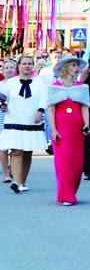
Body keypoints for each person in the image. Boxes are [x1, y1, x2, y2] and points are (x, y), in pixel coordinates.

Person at [46, 56, 90, 206]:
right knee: (63, 162)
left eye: (77, 65)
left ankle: (72, 190)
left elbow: (84, 107)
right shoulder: (55, 87)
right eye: (73, 65)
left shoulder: (82, 87)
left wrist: (87, 124)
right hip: (61, 128)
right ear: (65, 67)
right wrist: (53, 130)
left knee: (77, 163)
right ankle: (66, 195)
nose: (76, 68)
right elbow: (51, 110)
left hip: (77, 129)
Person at [0, 55, 48, 192]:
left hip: (32, 120)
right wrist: (3, 105)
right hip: (14, 119)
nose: (27, 66)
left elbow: (43, 99)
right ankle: (15, 181)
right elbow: (3, 98)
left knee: (27, 151)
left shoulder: (39, 82)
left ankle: (21, 181)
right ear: (18, 66)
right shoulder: (10, 82)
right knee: (16, 151)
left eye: (29, 63)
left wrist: (40, 111)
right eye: (24, 63)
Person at [0, 57, 15, 183]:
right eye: (7, 68)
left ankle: (13, 169)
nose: (9, 70)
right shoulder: (0, 85)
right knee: (3, 147)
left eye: (11, 67)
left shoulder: (19, 84)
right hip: (2, 118)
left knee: (15, 147)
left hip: (15, 116)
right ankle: (6, 174)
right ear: (3, 70)